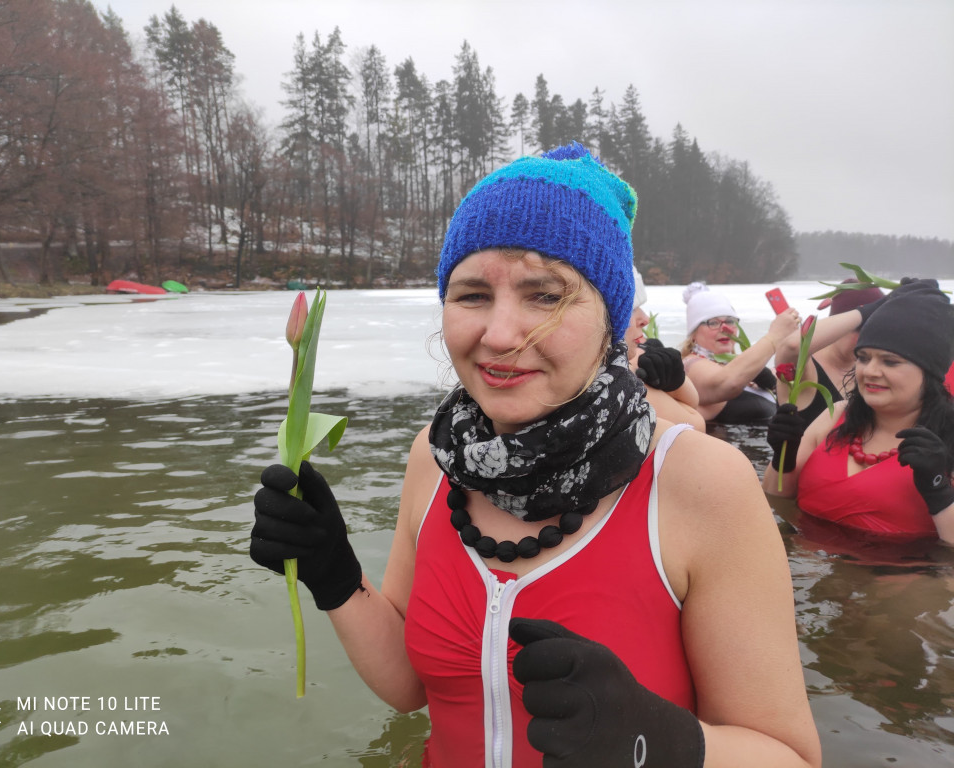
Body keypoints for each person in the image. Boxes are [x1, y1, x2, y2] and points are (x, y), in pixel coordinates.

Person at [250, 143, 821, 768]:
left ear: (612, 316)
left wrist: (660, 742)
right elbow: (411, 689)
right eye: (471, 295)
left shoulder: (698, 481)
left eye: (545, 295)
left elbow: (789, 755)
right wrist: (335, 576)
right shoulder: (436, 458)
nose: (498, 334)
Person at [763, 279, 954, 543]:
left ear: (930, 372)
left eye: (890, 361)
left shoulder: (947, 438)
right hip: (812, 573)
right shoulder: (836, 415)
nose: (870, 371)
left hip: (899, 577)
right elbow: (775, 499)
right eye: (863, 357)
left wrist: (938, 490)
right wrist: (783, 457)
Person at [680, 282, 800, 424]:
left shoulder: (740, 368)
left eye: (730, 321)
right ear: (693, 333)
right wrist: (775, 337)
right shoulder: (690, 365)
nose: (726, 328)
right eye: (713, 323)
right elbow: (725, 384)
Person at [774, 279, 885, 426]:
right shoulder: (805, 368)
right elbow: (792, 346)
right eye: (862, 329)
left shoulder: (872, 373)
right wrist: (864, 312)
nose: (868, 341)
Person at [627, 267, 706, 431]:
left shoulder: (634, 358)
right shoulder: (621, 372)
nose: (645, 319)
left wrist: (676, 383)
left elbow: (694, 405)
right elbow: (695, 424)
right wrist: (771, 340)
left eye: (731, 321)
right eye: (630, 308)